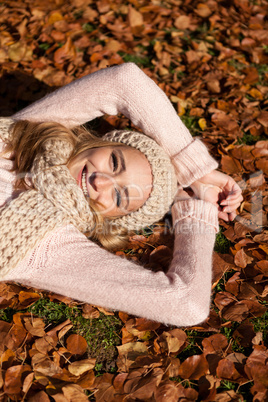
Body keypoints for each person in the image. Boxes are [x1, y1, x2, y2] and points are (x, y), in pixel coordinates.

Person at [0, 63, 242, 327]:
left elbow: (186, 304)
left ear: (110, 220)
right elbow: (124, 81)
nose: (100, 181)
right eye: (114, 163)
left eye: (118, 197)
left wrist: (193, 211)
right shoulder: (25, 134)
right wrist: (196, 169)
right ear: (101, 143)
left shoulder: (44, 241)